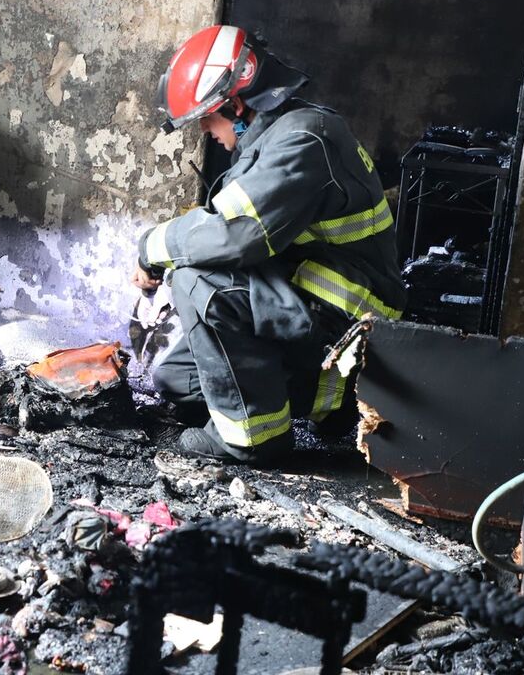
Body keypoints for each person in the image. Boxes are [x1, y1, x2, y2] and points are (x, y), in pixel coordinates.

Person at [134, 25, 406, 463]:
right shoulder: (272, 140)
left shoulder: (303, 139)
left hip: (348, 326)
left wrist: (151, 246)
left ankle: (255, 440)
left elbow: (235, 235)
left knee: (195, 281)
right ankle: (299, 409)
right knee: (177, 381)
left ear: (237, 103)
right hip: (307, 303)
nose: (204, 128)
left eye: (207, 115)